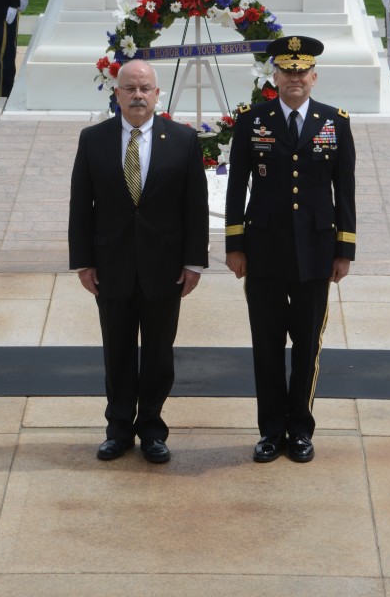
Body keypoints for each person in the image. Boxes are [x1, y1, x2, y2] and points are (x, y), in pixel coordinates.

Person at [68, 60, 209, 463]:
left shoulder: (182, 140)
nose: (137, 95)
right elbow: (82, 205)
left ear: (157, 94)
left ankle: (151, 428)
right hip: (111, 266)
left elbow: (194, 207)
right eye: (129, 88)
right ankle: (118, 430)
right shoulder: (93, 139)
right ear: (116, 94)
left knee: (159, 354)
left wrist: (193, 262)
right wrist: (83, 261)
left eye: (145, 88)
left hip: (164, 270)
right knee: (117, 351)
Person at [225, 36, 356, 464]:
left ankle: (299, 429)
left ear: (313, 77)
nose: (294, 78)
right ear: (274, 76)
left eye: (302, 72)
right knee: (265, 345)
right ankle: (269, 431)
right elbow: (235, 187)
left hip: (317, 252)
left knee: (306, 347)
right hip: (263, 251)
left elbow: (346, 192)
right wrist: (234, 246)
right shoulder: (251, 120)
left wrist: (344, 251)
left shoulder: (335, 122)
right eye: (287, 71)